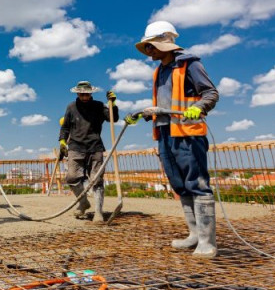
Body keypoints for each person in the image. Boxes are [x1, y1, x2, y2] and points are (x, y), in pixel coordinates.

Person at [125, 21, 220, 258]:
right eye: (148, 48)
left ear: (165, 43)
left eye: (152, 46)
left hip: (187, 132)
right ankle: (195, 235)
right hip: (165, 133)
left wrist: (198, 107)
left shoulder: (190, 64)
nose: (150, 52)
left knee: (196, 184)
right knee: (179, 184)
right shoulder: (160, 71)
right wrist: (152, 113)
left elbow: (211, 93)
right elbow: (167, 103)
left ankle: (208, 242)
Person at [58, 81, 118, 223]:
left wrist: (113, 104)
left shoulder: (98, 106)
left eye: (86, 93)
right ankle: (83, 202)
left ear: (91, 93)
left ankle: (98, 212)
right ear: (77, 93)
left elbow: (113, 118)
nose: (84, 96)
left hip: (95, 147)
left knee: (97, 180)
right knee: (72, 178)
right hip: (75, 147)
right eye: (81, 94)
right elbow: (65, 127)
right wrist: (62, 141)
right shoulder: (71, 107)